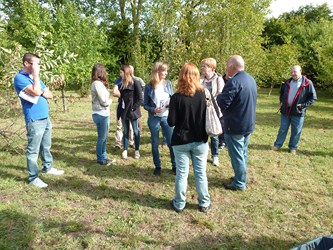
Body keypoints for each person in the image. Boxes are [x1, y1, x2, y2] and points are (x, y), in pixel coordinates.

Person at [14, 52, 64, 188]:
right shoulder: (20, 78)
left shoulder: (34, 78)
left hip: (45, 116)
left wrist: (40, 89)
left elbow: (50, 94)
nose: (39, 66)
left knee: (46, 145)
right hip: (34, 118)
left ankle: (47, 167)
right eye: (36, 63)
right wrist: (36, 79)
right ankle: (33, 177)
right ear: (26, 63)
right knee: (33, 149)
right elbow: (37, 92)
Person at [168, 63, 210, 213]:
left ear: (181, 76)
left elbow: (171, 122)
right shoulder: (204, 94)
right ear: (197, 76)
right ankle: (204, 203)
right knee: (200, 173)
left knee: (182, 174)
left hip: (181, 140)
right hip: (200, 140)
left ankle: (179, 203)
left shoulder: (176, 97)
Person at [216, 55, 257, 191]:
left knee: (237, 155)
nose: (226, 67)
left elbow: (222, 102)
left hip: (235, 125)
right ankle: (240, 177)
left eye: (227, 64)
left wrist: (219, 96)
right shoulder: (250, 79)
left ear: (232, 66)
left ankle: (239, 182)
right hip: (247, 123)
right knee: (243, 153)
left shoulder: (234, 82)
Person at [272, 65, 317, 154]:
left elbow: (313, 98)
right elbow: (282, 93)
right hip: (285, 111)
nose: (293, 73)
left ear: (300, 71)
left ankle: (293, 147)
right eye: (292, 72)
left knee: (296, 131)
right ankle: (277, 145)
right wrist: (281, 101)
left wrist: (303, 105)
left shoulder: (308, 83)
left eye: (295, 72)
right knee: (282, 129)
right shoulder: (287, 82)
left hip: (298, 112)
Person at [144, 62, 176, 176]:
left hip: (167, 117)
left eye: (166, 71)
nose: (166, 73)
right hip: (154, 118)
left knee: (172, 142)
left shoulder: (168, 84)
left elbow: (173, 98)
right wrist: (153, 109)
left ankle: (174, 165)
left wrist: (170, 104)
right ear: (157, 71)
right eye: (164, 71)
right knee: (155, 142)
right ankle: (157, 166)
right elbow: (145, 104)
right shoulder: (149, 86)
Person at [113, 64, 143, 159]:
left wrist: (133, 108)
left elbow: (140, 99)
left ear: (126, 73)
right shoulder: (120, 84)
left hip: (133, 112)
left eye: (121, 72)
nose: (120, 74)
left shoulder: (136, 83)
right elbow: (118, 95)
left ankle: (137, 150)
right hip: (123, 112)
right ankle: (125, 150)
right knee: (125, 131)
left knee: (136, 131)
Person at [200, 58, 225, 166]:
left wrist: (210, 99)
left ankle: (215, 156)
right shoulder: (200, 79)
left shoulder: (218, 79)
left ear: (212, 68)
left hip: (214, 110)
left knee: (214, 134)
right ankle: (203, 154)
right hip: (201, 109)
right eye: (202, 66)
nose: (202, 68)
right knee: (202, 133)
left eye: (204, 66)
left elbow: (220, 93)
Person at [91, 63, 115, 166]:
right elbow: (104, 101)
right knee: (102, 137)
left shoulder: (99, 83)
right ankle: (100, 159)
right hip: (100, 114)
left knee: (104, 137)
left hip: (103, 113)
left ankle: (104, 156)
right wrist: (110, 101)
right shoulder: (97, 84)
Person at [113, 76, 134, 150]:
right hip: (120, 105)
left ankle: (131, 142)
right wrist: (122, 94)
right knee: (119, 125)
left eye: (122, 72)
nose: (120, 74)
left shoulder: (133, 80)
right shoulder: (119, 80)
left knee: (130, 126)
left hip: (129, 106)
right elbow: (114, 92)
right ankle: (118, 143)